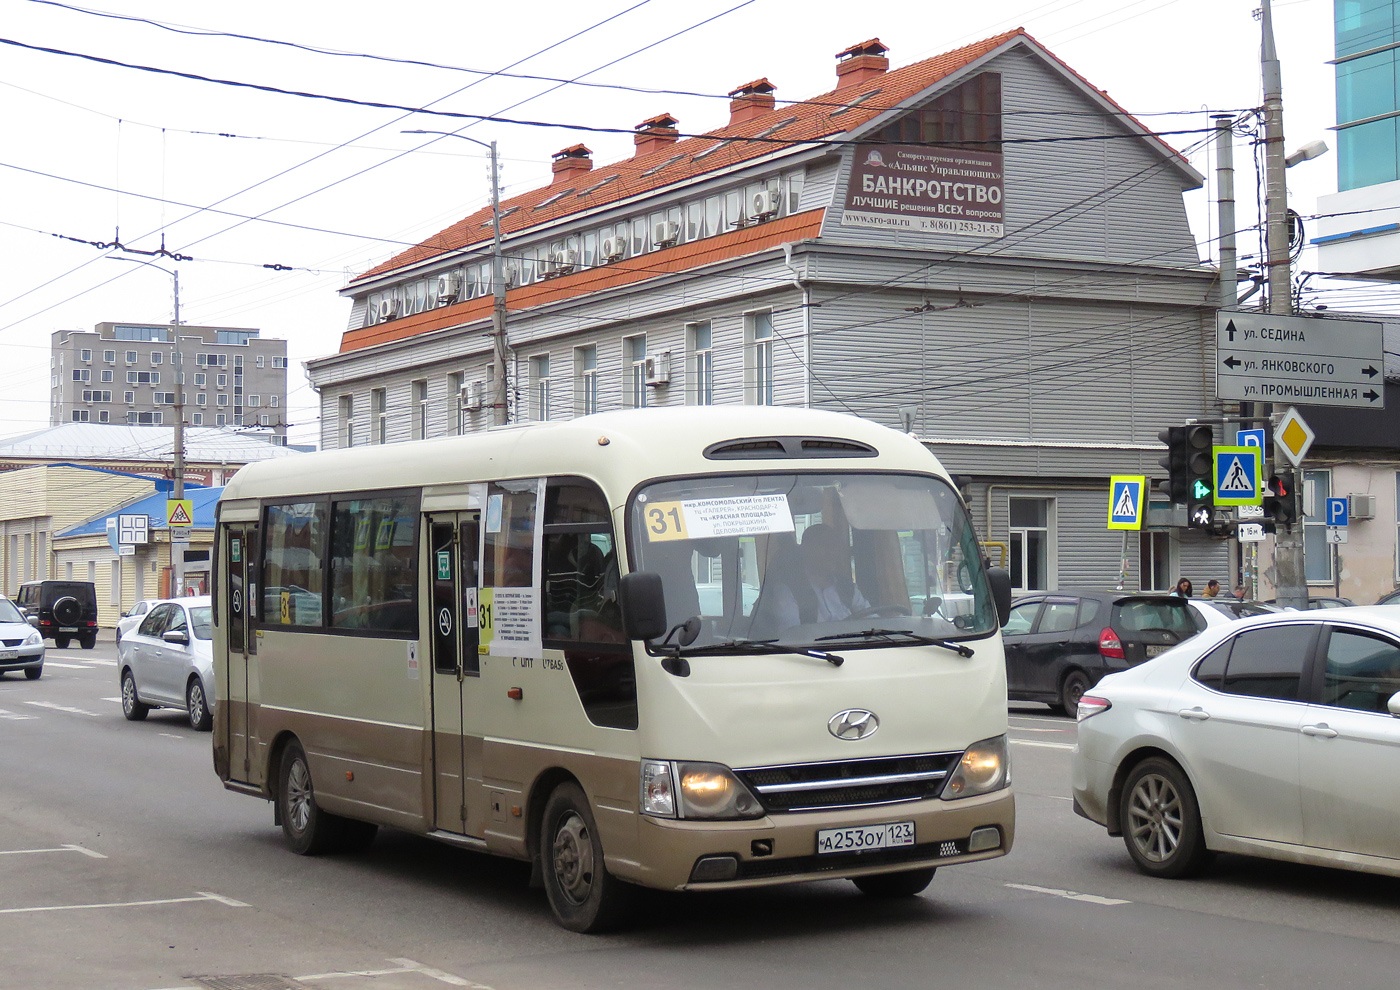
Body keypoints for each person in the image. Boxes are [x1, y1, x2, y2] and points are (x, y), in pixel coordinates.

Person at [765, 523, 870, 629]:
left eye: (834, 547)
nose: (832, 553)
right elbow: (792, 635)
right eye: (825, 546)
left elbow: (870, 618)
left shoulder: (847, 586)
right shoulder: (788, 590)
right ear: (805, 549)